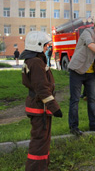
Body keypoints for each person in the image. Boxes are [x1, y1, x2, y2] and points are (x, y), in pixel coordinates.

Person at [19, 31, 62, 171]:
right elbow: (42, 88)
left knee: (43, 142)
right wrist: (55, 107)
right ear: (37, 45)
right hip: (40, 108)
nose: (47, 48)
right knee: (39, 143)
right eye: (45, 45)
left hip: (39, 107)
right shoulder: (36, 62)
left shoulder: (33, 60)